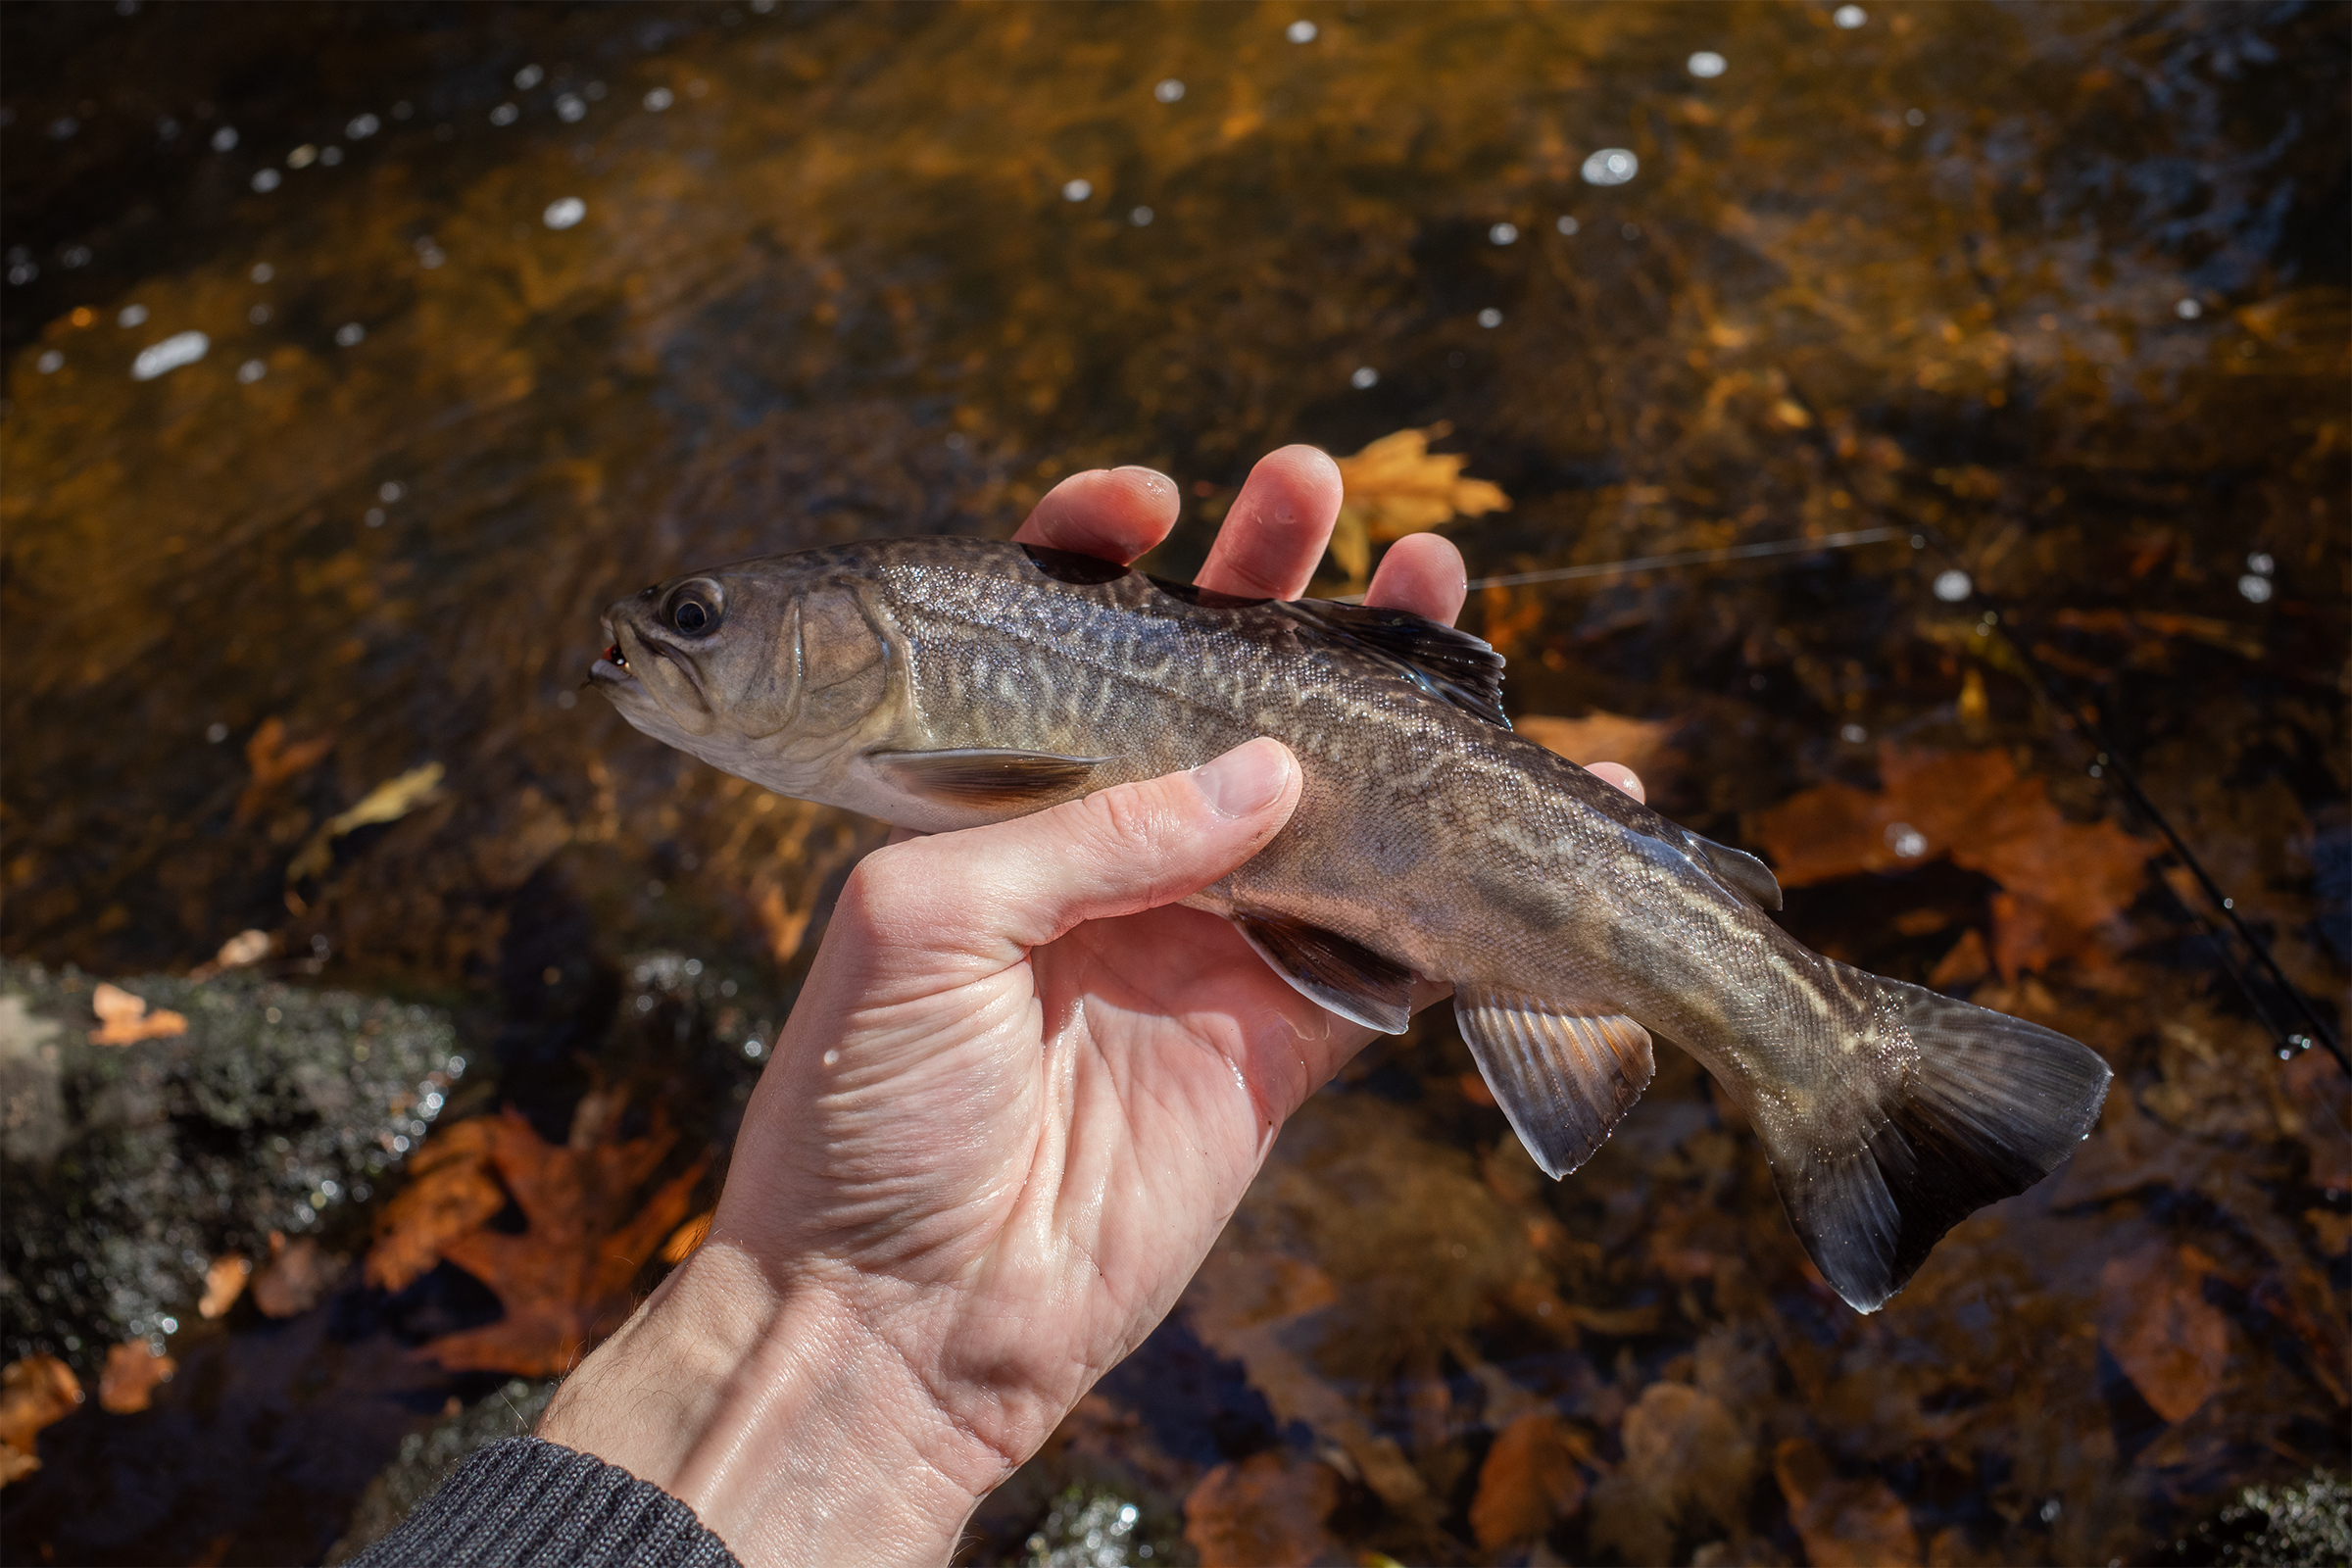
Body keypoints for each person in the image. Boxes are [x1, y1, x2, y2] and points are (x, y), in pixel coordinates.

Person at [354, 447, 1644, 1567]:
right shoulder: (902, 701)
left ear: (853, 633)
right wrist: (878, 1333)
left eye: (693, 619)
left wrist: (847, 1338)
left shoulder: (913, 702)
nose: (659, 634)